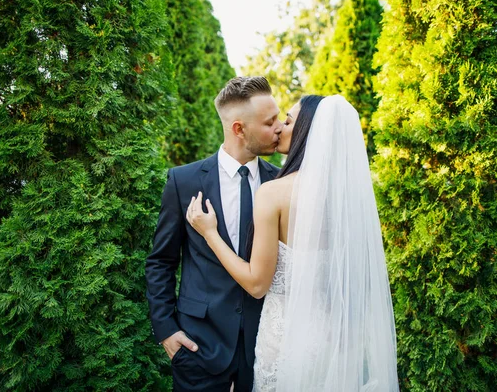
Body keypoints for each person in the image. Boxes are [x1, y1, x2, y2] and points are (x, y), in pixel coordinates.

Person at [187, 95, 399, 391]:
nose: (279, 129)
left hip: (284, 341)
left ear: (306, 132)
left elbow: (257, 284)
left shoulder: (274, 193)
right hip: (334, 343)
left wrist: (210, 233)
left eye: (287, 121)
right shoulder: (349, 199)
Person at [145, 76, 282, 392]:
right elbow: (161, 261)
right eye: (269, 122)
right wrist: (166, 329)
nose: (278, 128)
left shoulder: (280, 182)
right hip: (198, 347)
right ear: (238, 129)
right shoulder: (184, 181)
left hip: (265, 349)